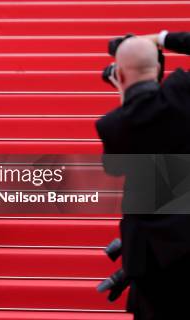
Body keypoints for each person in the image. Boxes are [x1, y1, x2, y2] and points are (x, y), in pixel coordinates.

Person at [95, 35, 190, 319]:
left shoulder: (114, 125)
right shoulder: (183, 92)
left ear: (120, 74)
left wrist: (124, 96)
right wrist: (161, 37)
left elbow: (114, 166)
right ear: (159, 71)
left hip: (150, 255)